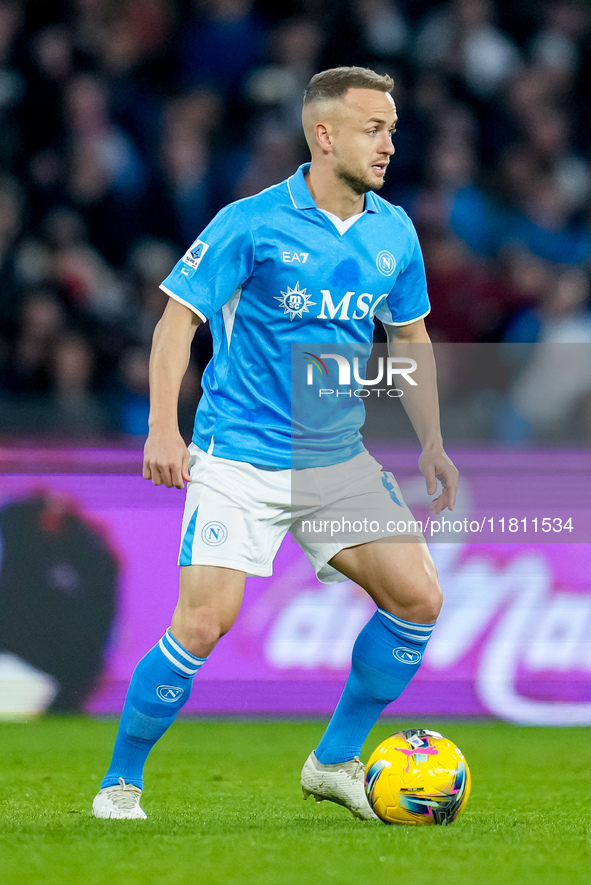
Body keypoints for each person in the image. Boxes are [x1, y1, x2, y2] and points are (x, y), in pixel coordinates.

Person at [92, 66, 458, 821]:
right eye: (373, 128)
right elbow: (175, 322)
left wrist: (431, 443)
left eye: (392, 128)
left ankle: (332, 760)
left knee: (418, 597)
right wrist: (166, 425)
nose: (390, 143)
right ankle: (120, 781)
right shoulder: (250, 221)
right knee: (200, 624)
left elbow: (410, 335)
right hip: (239, 459)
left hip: (337, 460)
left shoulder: (394, 230)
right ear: (323, 136)